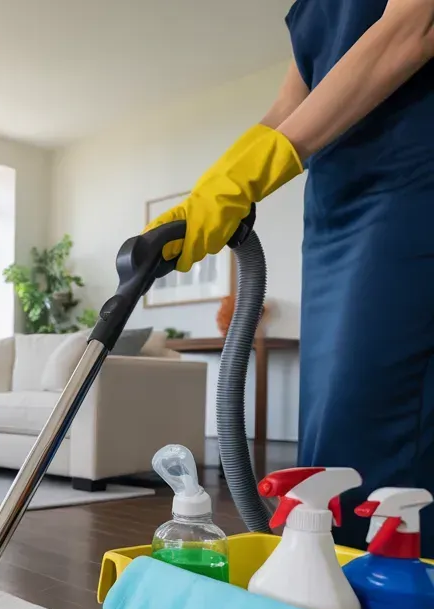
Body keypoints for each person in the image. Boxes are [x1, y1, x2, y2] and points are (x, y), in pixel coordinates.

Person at [147, 0, 434, 554]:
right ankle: (330, 583)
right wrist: (213, 188)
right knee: (329, 423)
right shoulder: (310, 6)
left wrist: (250, 176)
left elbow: (413, 28)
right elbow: (287, 104)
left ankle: (391, 602)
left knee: (382, 414)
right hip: (332, 206)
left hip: (410, 183)